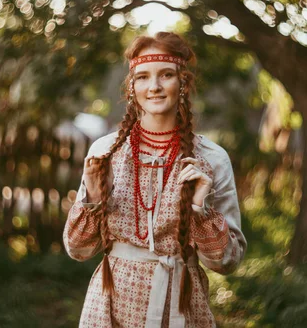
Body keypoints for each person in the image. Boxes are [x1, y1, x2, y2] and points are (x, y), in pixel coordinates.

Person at [63, 31, 246, 327]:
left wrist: (201, 210)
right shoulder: (106, 152)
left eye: (166, 75)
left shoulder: (211, 158)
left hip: (180, 306)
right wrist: (93, 201)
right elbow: (78, 250)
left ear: (183, 83)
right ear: (132, 86)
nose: (155, 87)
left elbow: (226, 262)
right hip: (111, 306)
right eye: (143, 77)